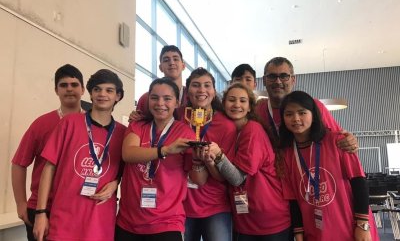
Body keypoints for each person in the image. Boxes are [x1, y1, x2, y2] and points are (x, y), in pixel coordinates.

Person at [33, 69, 126, 241]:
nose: (102, 94)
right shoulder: (69, 123)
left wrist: (115, 183)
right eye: (97, 89)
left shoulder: (123, 133)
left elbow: (123, 171)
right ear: (90, 94)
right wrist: (41, 212)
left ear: (118, 96)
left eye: (109, 90)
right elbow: (49, 167)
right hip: (64, 220)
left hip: (101, 222)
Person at [279, 91, 379, 241]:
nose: (296, 119)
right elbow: (293, 198)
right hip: (315, 231)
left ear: (313, 116)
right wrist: (298, 233)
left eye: (302, 112)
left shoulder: (337, 140)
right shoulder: (286, 154)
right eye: (289, 114)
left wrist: (362, 225)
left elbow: (359, 181)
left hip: (351, 228)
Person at [115, 77, 201, 241]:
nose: (160, 103)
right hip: (128, 221)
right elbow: (128, 153)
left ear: (176, 103)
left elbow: (198, 179)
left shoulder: (185, 133)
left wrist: (202, 161)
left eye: (167, 98)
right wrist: (165, 150)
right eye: (154, 98)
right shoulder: (138, 126)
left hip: (166, 222)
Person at [207, 82, 291, 240]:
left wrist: (218, 155)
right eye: (231, 100)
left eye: (243, 101)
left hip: (268, 221)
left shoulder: (253, 130)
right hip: (245, 221)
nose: (236, 104)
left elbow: (237, 178)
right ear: (224, 104)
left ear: (250, 107)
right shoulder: (232, 131)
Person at [11, 64, 84, 241]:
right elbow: (19, 163)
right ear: (56, 90)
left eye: (74, 85)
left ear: (83, 89)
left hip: (76, 208)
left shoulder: (91, 124)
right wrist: (21, 203)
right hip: (42, 209)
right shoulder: (41, 124)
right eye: (63, 85)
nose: (69, 89)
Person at [256, 57, 358, 151]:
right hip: (270, 169)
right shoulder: (256, 110)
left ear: (293, 80)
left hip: (308, 167)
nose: (278, 81)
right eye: (272, 76)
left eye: (284, 76)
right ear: (264, 81)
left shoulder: (314, 106)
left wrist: (350, 142)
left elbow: (340, 139)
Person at [182, 68, 237, 241]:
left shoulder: (226, 125)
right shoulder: (178, 116)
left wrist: (209, 162)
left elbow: (224, 176)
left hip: (215, 205)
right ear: (187, 90)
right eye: (195, 85)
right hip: (182, 204)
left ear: (214, 91)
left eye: (207, 85)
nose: (201, 90)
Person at [135, 45, 187, 118]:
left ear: (183, 65)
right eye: (166, 60)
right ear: (160, 67)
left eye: (175, 59)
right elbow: (138, 125)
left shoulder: (191, 96)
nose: (171, 63)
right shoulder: (146, 98)